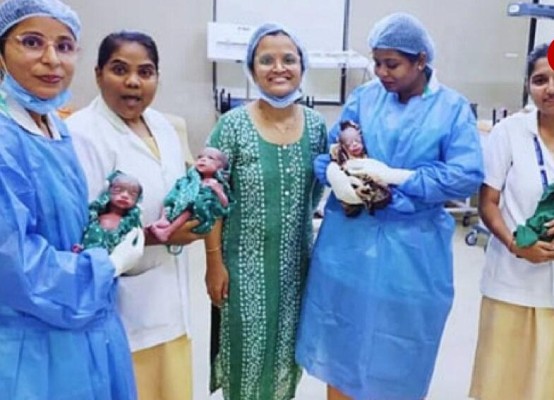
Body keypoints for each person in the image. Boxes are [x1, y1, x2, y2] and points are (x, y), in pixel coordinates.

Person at [295, 12, 484, 400]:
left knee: (398, 345)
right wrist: (335, 176)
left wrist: (400, 177)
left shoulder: (451, 109)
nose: (381, 72)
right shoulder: (365, 97)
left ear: (421, 60)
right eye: (376, 62)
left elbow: (465, 175)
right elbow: (331, 150)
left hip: (411, 255)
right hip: (348, 246)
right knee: (342, 337)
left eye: (392, 64)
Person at [0, 1, 145, 399]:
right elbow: (13, 264)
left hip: (82, 325)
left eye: (64, 46)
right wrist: (105, 265)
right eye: (32, 42)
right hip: (31, 346)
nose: (52, 59)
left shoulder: (54, 128)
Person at [67, 31, 203, 400]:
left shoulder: (163, 126)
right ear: (98, 74)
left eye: (145, 72)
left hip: (171, 301)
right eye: (119, 69)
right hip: (122, 306)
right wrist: (156, 236)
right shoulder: (81, 133)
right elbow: (85, 231)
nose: (133, 81)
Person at [203, 22, 327, 400]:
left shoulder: (317, 127)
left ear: (302, 66)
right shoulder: (231, 127)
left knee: (287, 361)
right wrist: (214, 263)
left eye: (288, 59)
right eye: (266, 60)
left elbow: (316, 192)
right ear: (251, 68)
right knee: (245, 359)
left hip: (297, 269)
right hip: (241, 272)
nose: (278, 68)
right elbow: (210, 200)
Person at [469, 43, 554, 400]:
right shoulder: (509, 133)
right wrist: (514, 243)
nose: (550, 89)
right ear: (528, 85)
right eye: (540, 80)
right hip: (511, 283)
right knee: (501, 384)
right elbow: (487, 202)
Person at [149, 146, 232, 243]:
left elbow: (225, 204)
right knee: (171, 197)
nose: (203, 159)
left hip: (194, 211)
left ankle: (168, 231)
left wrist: (218, 191)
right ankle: (163, 219)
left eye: (210, 158)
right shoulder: (190, 180)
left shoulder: (215, 183)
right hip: (181, 203)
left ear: (220, 167)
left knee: (189, 210)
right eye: (200, 157)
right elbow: (180, 191)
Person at [328, 120, 391, 216]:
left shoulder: (369, 152)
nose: (354, 145)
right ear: (343, 147)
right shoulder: (341, 157)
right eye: (349, 144)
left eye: (357, 141)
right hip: (352, 182)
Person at [74, 170, 143, 254]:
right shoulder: (93, 215)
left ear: (137, 199)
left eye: (132, 194)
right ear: (108, 191)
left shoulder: (130, 224)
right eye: (118, 190)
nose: (125, 195)